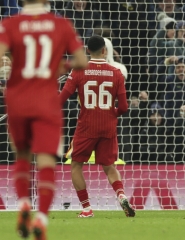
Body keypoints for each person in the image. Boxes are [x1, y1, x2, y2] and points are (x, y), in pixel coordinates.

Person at [0, 0, 88, 239]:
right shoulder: (61, 25)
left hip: (17, 99)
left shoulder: (10, 24)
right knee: (46, 160)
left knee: (22, 155)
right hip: (46, 101)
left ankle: (23, 206)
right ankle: (41, 219)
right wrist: (60, 65)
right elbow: (81, 61)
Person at [59, 35, 135, 218]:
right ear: (105, 51)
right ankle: (122, 195)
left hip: (86, 126)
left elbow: (61, 99)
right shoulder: (116, 73)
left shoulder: (79, 71)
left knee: (76, 166)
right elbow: (124, 107)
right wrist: (110, 113)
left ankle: (87, 209)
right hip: (108, 126)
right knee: (109, 166)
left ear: (87, 51)